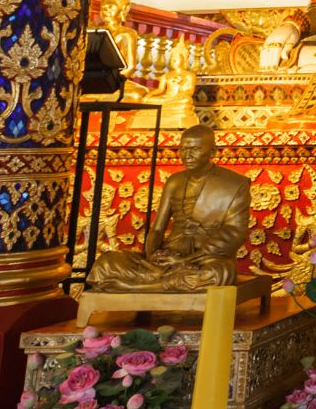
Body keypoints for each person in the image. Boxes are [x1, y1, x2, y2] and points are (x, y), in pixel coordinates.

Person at [88, 124, 250, 292]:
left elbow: (233, 233)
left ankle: (136, 286)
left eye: (194, 149)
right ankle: (160, 283)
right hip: (168, 255)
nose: (187, 156)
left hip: (203, 259)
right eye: (183, 149)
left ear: (212, 152)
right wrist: (153, 256)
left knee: (217, 274)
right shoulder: (175, 182)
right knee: (107, 262)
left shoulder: (234, 184)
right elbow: (158, 229)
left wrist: (184, 261)